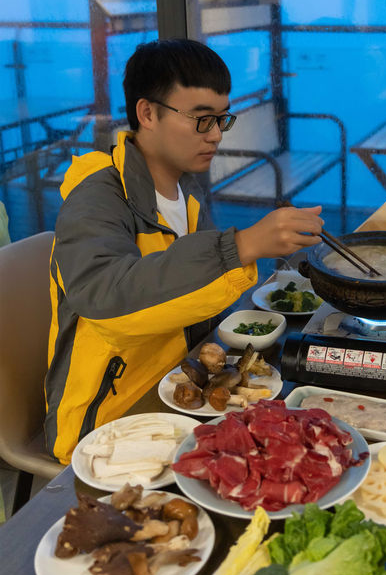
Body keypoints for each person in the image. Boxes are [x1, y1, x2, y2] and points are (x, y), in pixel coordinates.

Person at [44, 38, 323, 464]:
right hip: (109, 421)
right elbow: (104, 299)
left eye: (221, 119)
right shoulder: (97, 194)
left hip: (180, 388)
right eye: (200, 119)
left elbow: (195, 298)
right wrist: (242, 246)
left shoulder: (183, 189)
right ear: (147, 113)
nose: (214, 136)